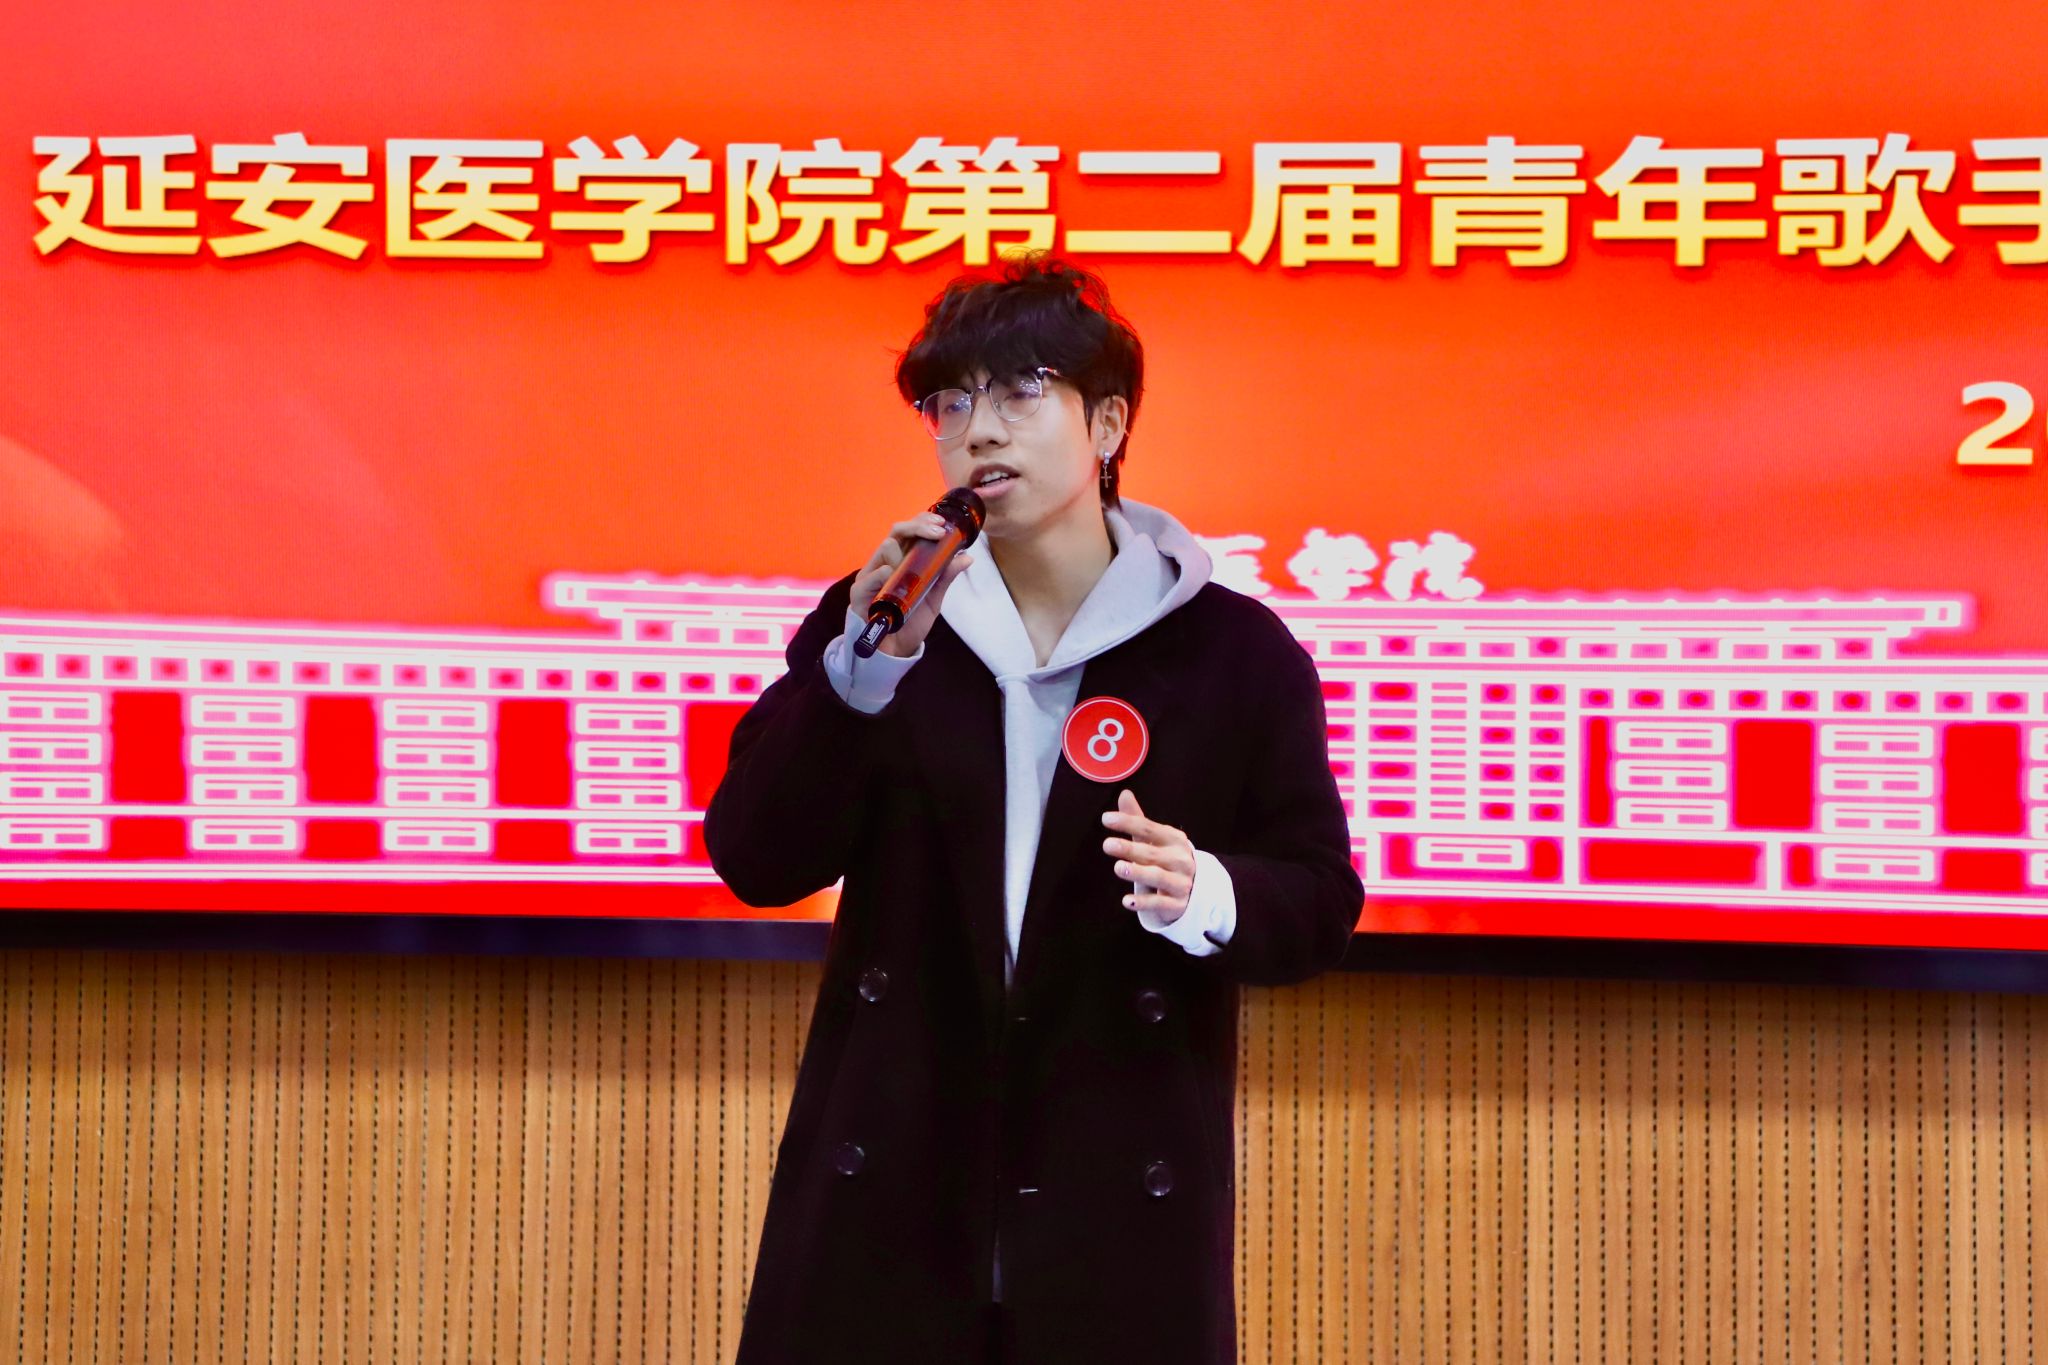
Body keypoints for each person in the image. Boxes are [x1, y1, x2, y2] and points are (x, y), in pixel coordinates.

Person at [705, 255, 1362, 1365]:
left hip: (1117, 1217)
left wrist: (1204, 892)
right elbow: (756, 856)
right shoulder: (887, 620)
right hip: (887, 1203)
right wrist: (860, 678)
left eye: (1021, 390)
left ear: (1107, 424)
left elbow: (1317, 898)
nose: (979, 431)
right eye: (950, 403)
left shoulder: (1229, 652)